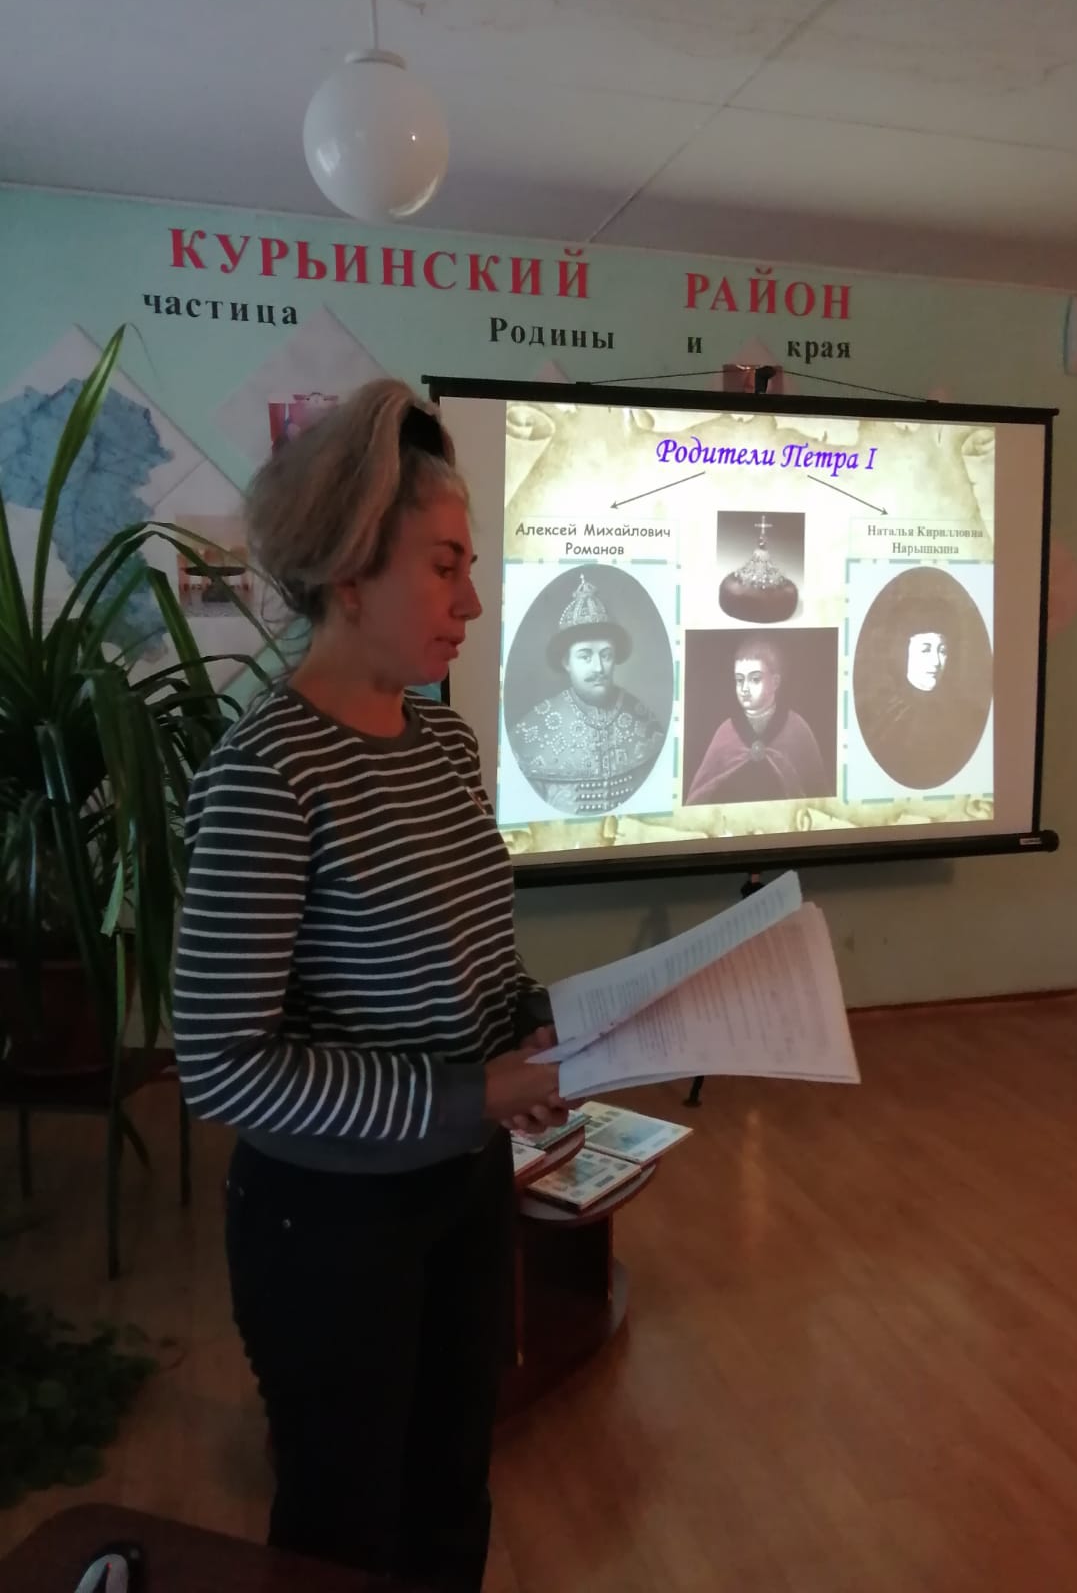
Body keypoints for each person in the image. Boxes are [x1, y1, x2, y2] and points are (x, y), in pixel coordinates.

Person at [172, 382, 567, 1592]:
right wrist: (473, 1094)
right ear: (350, 574)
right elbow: (221, 1064)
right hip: (331, 1228)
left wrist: (547, 1026)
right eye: (445, 567)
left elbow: (478, 962)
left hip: (465, 1190)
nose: (473, 601)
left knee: (452, 1496)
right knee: (344, 1530)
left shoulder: (444, 741)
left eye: (471, 566)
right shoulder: (268, 772)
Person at [508, 570, 666, 814]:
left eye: (606, 655)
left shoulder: (642, 717)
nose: (598, 667)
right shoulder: (533, 728)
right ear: (566, 662)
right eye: (585, 656)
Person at [854, 584, 991, 789]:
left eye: (942, 650)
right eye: (925, 649)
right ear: (902, 651)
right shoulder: (880, 719)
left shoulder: (967, 715)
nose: (936, 662)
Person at [685, 636, 829, 805]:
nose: (744, 688)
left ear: (775, 682)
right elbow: (699, 797)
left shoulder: (797, 729)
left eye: (754, 679)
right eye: (739, 680)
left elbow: (818, 792)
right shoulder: (726, 731)